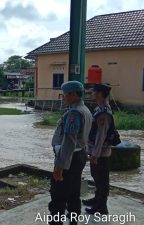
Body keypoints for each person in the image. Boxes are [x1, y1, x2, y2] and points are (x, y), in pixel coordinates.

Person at [49, 81, 92, 225]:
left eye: (65, 94)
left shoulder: (74, 113)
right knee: (74, 192)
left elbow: (69, 141)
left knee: (58, 195)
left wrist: (60, 166)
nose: (63, 97)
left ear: (73, 94)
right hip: (79, 156)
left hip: (69, 158)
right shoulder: (85, 109)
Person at [83, 83, 113, 215]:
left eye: (93, 92)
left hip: (100, 153)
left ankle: (101, 206)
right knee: (97, 177)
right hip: (97, 151)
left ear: (100, 93)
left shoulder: (103, 112)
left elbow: (101, 135)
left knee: (101, 179)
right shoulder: (100, 108)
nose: (92, 94)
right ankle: (97, 200)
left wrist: (95, 155)